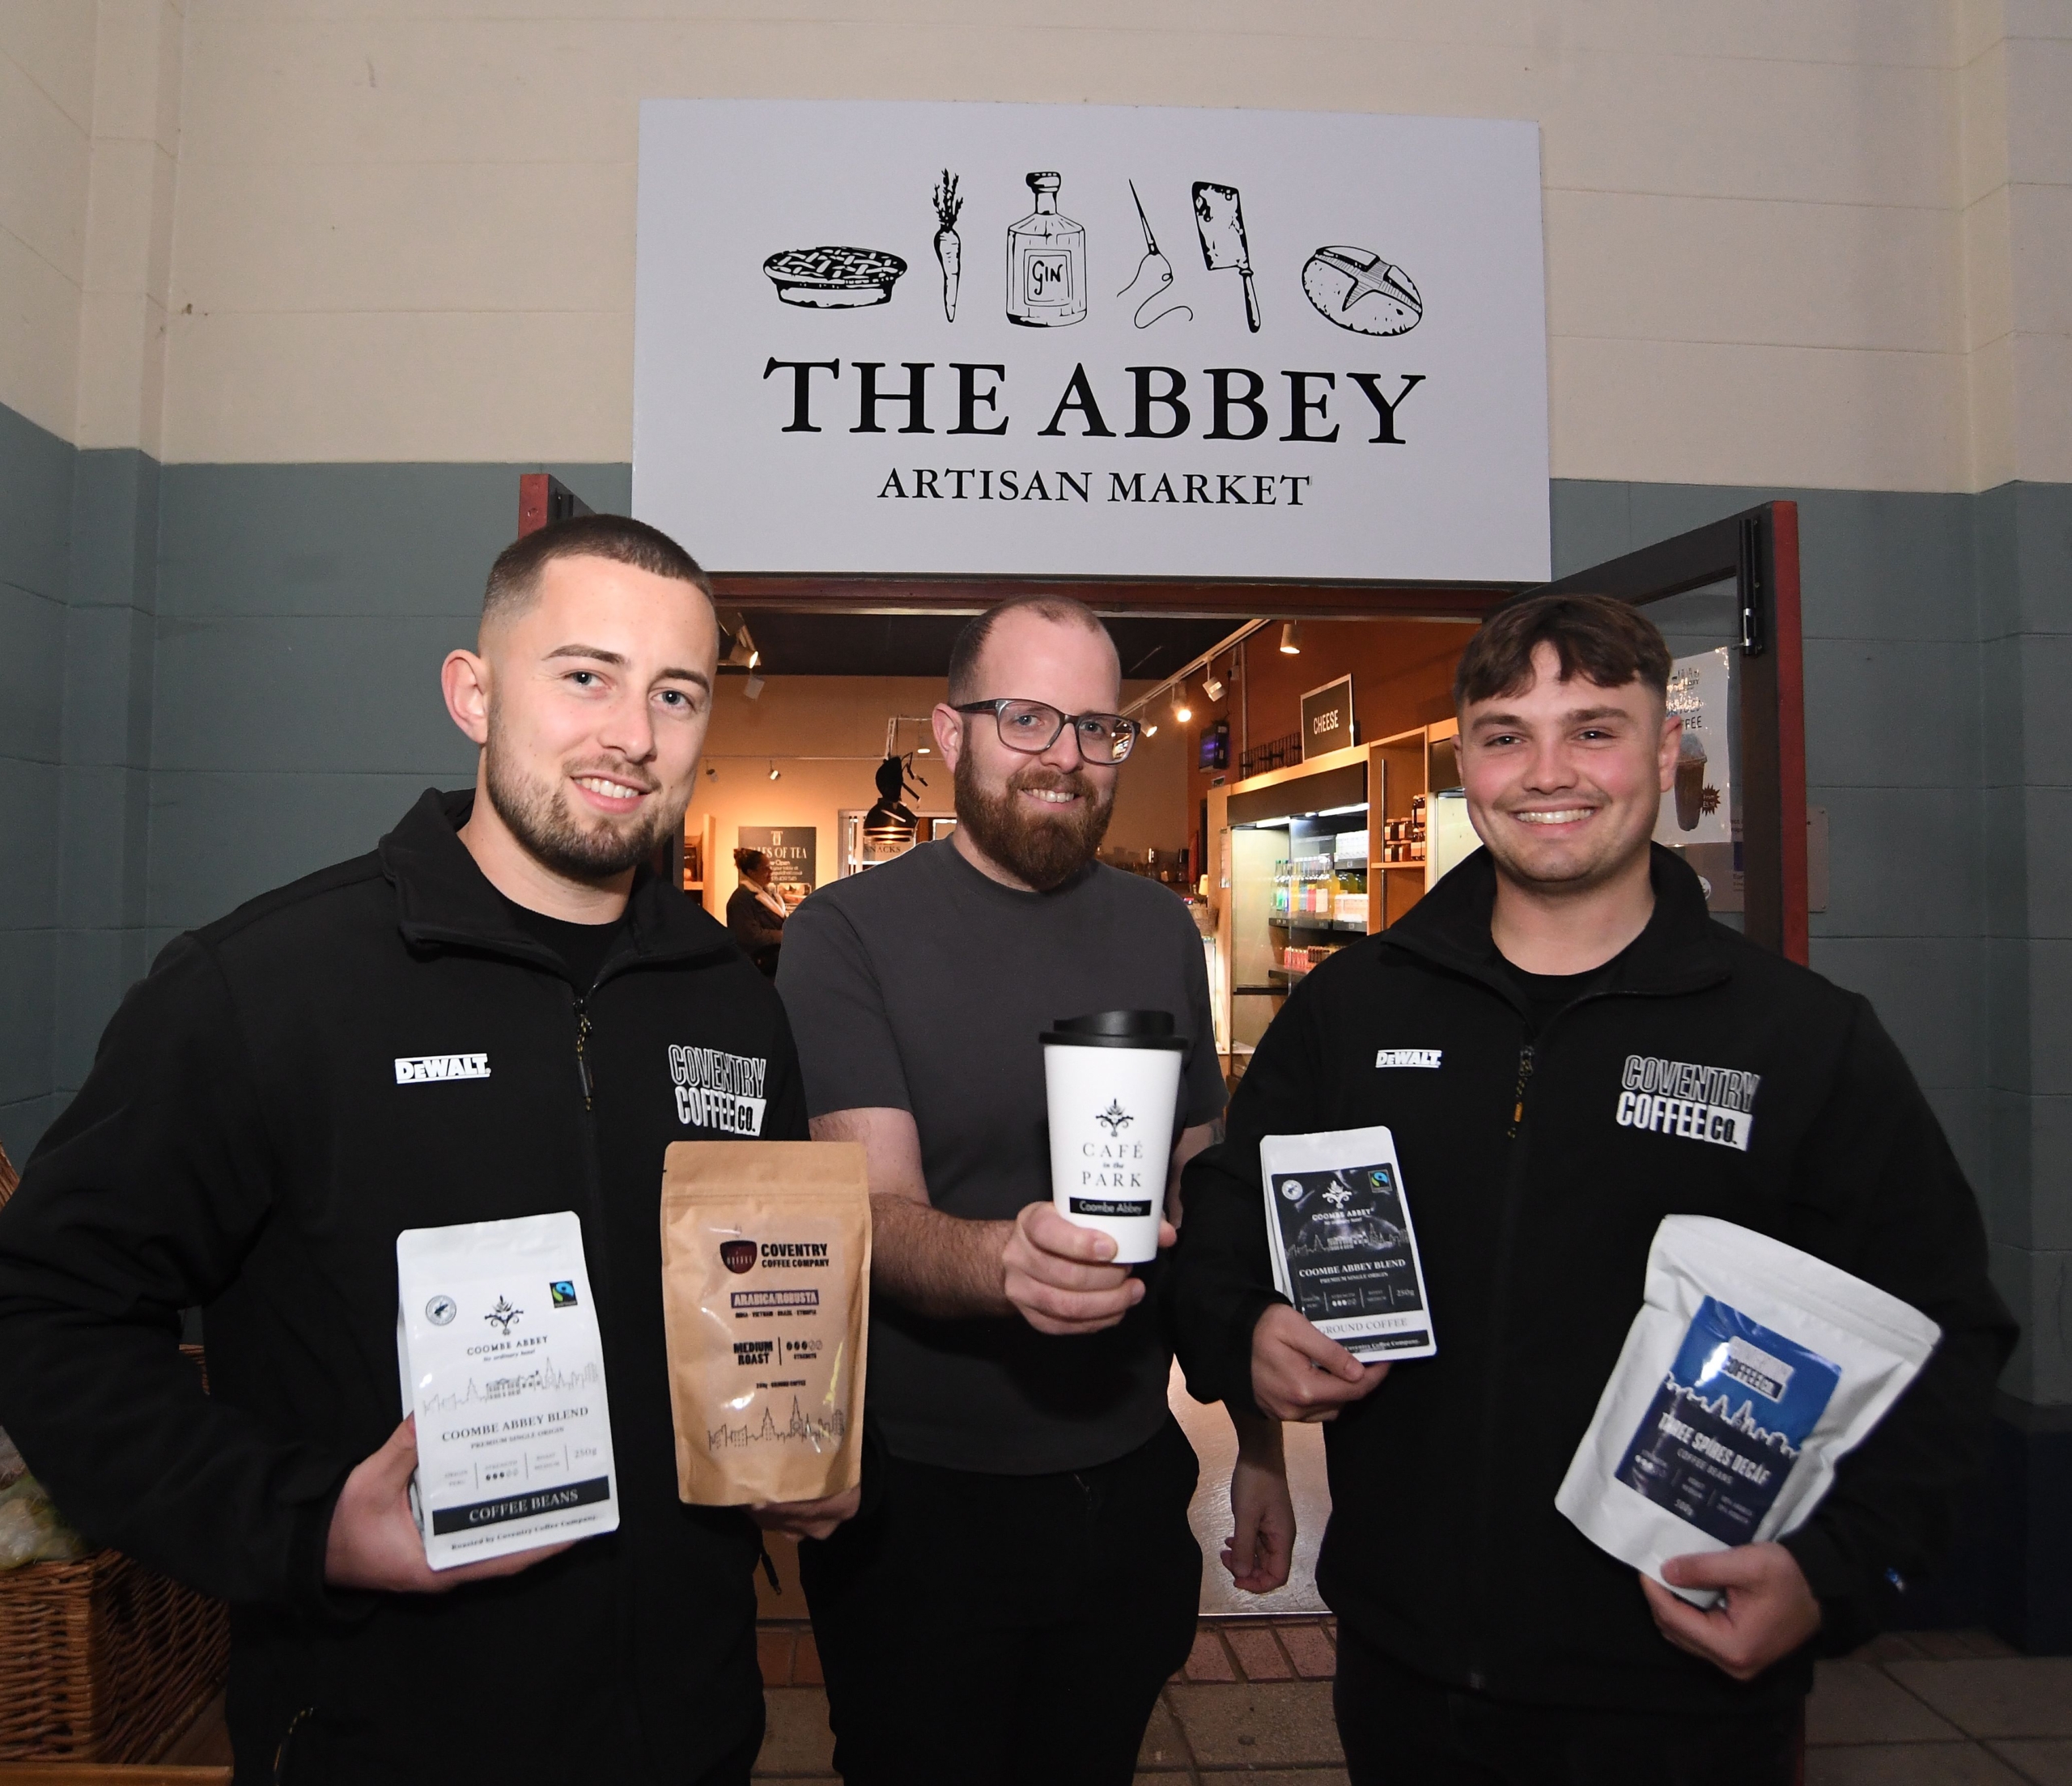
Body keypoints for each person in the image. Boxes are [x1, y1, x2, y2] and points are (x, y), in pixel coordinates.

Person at [0, 514, 849, 1784]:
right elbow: (42, 1311)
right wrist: (308, 1521)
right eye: (584, 675)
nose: (633, 731)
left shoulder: (729, 998)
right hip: (380, 1732)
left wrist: (819, 1452)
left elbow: (761, 1294)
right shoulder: (265, 989)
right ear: (472, 691)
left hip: (692, 1723)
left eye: (676, 691)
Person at [1167, 593, 2016, 1786]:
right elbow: (1221, 1219)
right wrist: (1242, 1327)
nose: (1548, 770)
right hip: (1407, 1672)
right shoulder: (1356, 1008)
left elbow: (1948, 1335)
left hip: (1680, 1685)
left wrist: (1832, 1573)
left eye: (1595, 728)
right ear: (1467, 761)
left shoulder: (1803, 1040)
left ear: (1664, 754)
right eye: (1509, 733)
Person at [774, 596, 1290, 1786]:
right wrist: (1007, 1262)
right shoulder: (846, 933)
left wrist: (1256, 1437)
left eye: (1098, 726)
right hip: (917, 1504)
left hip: (1124, 1481)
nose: (1066, 752)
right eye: (1027, 717)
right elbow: (876, 1211)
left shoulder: (1163, 930)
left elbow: (1199, 1199)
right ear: (952, 736)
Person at [725, 846, 788, 975]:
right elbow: (750, 936)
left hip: (773, 967)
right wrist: (784, 935)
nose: (771, 871)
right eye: (765, 868)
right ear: (751, 872)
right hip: (758, 969)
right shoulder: (741, 899)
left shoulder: (769, 894)